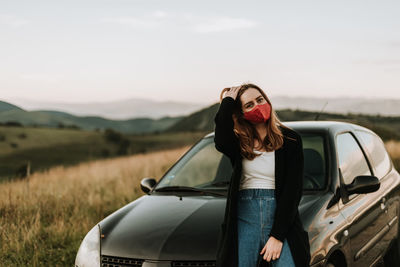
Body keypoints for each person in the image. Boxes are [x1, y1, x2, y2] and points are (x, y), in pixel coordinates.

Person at [214, 83, 311, 267]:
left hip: (279, 215)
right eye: (249, 105)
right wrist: (227, 101)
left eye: (260, 100)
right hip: (244, 215)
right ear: (241, 114)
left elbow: (293, 191)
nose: (257, 106)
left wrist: (277, 235)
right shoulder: (237, 143)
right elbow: (220, 139)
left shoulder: (291, 139)